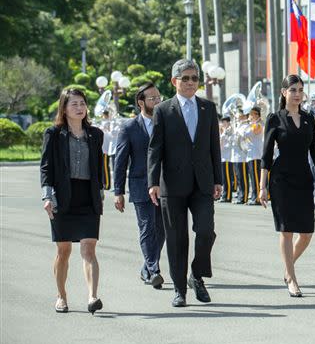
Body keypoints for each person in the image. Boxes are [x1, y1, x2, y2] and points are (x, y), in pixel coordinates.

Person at [147, 59, 223, 307]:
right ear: (174, 81)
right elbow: (154, 149)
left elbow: (214, 147)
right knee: (177, 238)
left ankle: (197, 275)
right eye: (185, 78)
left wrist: (218, 179)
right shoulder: (163, 110)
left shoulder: (208, 108)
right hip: (172, 184)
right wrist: (153, 182)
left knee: (206, 231)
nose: (191, 82)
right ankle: (179, 289)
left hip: (202, 183)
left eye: (194, 78)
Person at [259, 75, 315, 297]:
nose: (297, 94)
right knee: (287, 230)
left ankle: (287, 267)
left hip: (304, 179)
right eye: (293, 90)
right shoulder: (275, 119)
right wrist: (262, 187)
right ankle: (292, 277)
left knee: (307, 232)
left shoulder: (309, 118)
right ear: (283, 92)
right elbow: (266, 156)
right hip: (281, 180)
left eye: (300, 90)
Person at [40, 88, 105, 314]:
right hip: (62, 196)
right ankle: (61, 296)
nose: (79, 108)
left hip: (88, 197)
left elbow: (99, 168)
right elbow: (46, 167)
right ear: (64, 108)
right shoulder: (54, 134)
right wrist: (47, 196)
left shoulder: (96, 134)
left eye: (82, 103)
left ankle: (92, 296)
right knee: (64, 250)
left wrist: (101, 192)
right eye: (74, 104)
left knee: (89, 248)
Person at [113, 82, 165, 288]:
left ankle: (146, 268)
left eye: (159, 97)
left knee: (162, 230)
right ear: (140, 102)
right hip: (140, 185)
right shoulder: (129, 127)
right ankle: (154, 270)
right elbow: (120, 160)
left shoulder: (166, 123)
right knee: (147, 228)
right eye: (152, 98)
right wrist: (118, 191)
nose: (157, 101)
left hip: (165, 186)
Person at [244, 106, 264, 205]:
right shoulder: (252, 124)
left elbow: (248, 133)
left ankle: (257, 198)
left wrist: (248, 124)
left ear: (257, 114)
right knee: (252, 177)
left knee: (256, 178)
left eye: (252, 114)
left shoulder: (258, 125)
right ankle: (253, 197)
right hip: (251, 155)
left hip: (256, 154)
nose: (250, 116)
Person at [219, 115, 235, 203]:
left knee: (228, 177)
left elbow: (230, 143)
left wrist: (224, 133)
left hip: (228, 157)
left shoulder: (230, 131)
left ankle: (228, 196)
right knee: (224, 178)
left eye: (224, 122)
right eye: (222, 122)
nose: (223, 124)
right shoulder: (224, 131)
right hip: (223, 156)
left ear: (228, 122)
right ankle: (225, 195)